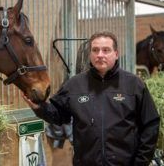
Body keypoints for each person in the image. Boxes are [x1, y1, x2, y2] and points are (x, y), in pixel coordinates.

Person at [23, 31, 160, 166]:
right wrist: (39, 107)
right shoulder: (74, 85)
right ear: (90, 54)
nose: (100, 55)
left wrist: (141, 162)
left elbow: (151, 125)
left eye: (106, 50)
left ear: (116, 54)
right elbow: (58, 115)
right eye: (95, 50)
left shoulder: (134, 85)